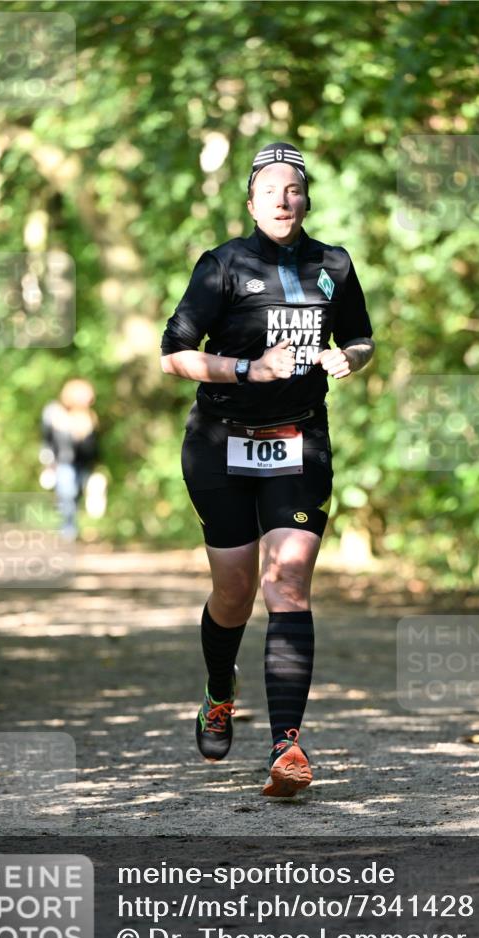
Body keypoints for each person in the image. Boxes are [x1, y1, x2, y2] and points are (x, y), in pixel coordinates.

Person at [161, 141, 375, 798]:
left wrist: (351, 359)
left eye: (294, 190)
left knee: (287, 583)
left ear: (305, 199)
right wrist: (247, 369)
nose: (283, 200)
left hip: (298, 441)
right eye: (270, 190)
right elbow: (173, 354)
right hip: (220, 440)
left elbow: (360, 336)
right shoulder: (222, 264)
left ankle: (287, 748)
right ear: (250, 201)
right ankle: (218, 691)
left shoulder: (332, 264)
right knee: (234, 591)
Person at [40, 379, 99, 541]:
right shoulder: (54, 413)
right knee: (67, 492)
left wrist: (96, 464)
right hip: (63, 462)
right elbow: (47, 440)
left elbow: (94, 445)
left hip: (83, 464)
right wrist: (47, 462)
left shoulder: (89, 417)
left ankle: (70, 524)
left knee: (76, 494)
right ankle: (68, 529)